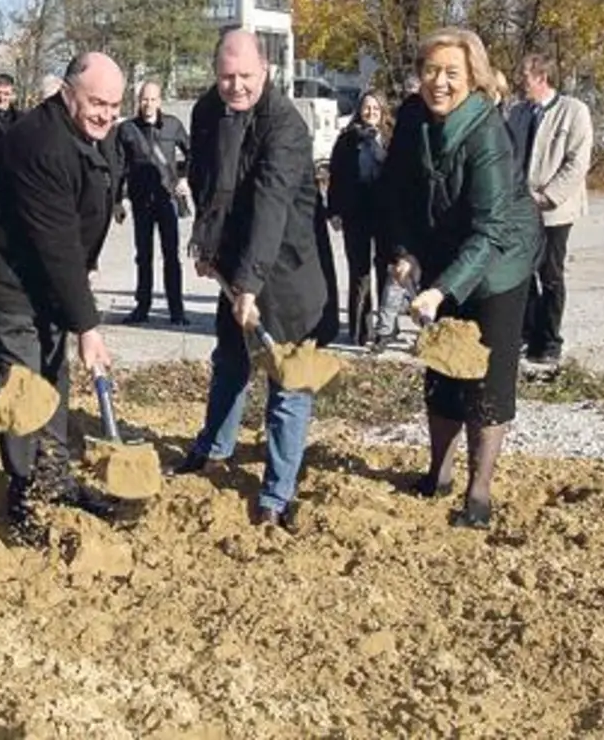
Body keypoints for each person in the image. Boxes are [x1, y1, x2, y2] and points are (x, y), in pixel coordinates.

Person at [0, 52, 127, 547]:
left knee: (55, 368)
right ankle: (25, 494)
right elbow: (55, 241)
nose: (106, 114)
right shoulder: (40, 143)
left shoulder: (94, 133)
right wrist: (88, 327)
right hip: (1, 271)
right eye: (96, 102)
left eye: (114, 106)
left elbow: (76, 231)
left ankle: (56, 477)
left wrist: (78, 305)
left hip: (45, 270)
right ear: (68, 92)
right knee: (26, 379)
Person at [380, 27, 542, 529]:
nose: (439, 83)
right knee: (443, 365)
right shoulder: (411, 118)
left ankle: (478, 492)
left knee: (486, 376)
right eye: (431, 71)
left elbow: (490, 229)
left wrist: (440, 289)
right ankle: (438, 473)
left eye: (452, 72)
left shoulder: (488, 132)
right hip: (443, 256)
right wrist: (405, 253)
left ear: (472, 77)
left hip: (499, 262)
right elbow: (398, 192)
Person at [169, 31, 328, 534]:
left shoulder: (286, 128)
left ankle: (277, 493)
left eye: (245, 77)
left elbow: (270, 208)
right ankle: (213, 449)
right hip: (236, 263)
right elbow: (206, 181)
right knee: (231, 362)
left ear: (267, 71)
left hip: (287, 269)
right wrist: (207, 244)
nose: (235, 87)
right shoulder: (206, 111)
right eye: (226, 77)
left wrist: (250, 286)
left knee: (288, 383)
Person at [507, 53, 593, 365]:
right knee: (522, 272)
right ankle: (527, 334)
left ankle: (550, 340)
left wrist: (548, 196)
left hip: (556, 210)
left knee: (551, 274)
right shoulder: (517, 113)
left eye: (525, 78)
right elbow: (509, 156)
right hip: (522, 208)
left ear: (541, 78)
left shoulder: (574, 112)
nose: (520, 83)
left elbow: (577, 162)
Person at [115, 80, 190, 326]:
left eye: (153, 99)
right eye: (144, 100)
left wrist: (186, 180)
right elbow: (119, 168)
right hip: (140, 202)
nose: (148, 104)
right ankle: (142, 307)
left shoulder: (173, 125)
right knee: (143, 256)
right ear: (139, 101)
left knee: (171, 256)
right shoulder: (126, 129)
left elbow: (193, 154)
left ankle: (176, 311)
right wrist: (117, 200)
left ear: (160, 101)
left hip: (166, 199)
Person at [326, 92, 391, 346]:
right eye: (367, 107)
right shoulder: (347, 140)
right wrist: (334, 211)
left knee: (386, 270)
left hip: (385, 215)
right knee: (359, 272)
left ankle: (386, 327)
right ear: (359, 110)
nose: (371, 111)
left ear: (382, 110)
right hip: (356, 214)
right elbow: (336, 176)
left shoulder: (390, 137)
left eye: (376, 107)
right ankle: (360, 329)